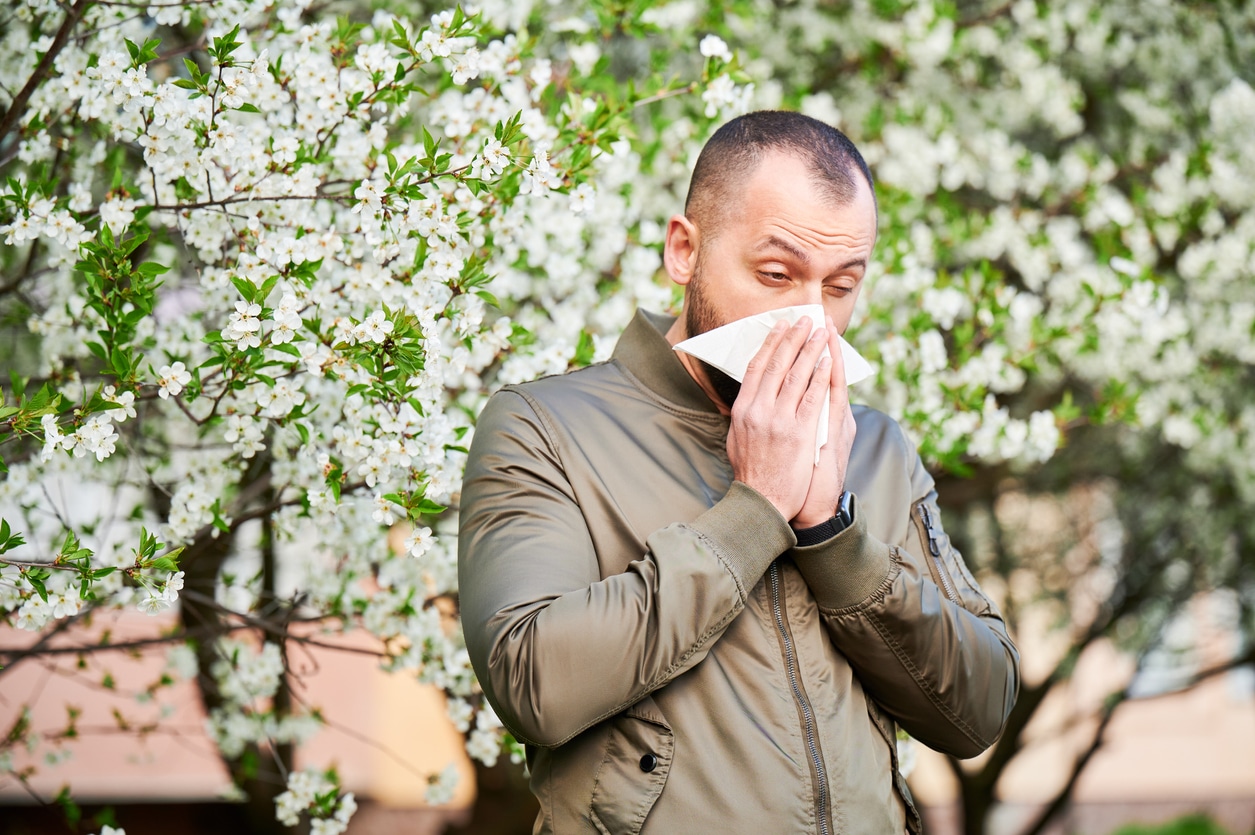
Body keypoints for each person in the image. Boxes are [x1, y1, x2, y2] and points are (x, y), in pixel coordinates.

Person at [458, 111, 1020, 834]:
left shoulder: (874, 444)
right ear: (683, 250)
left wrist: (832, 532)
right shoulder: (545, 428)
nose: (809, 322)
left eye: (840, 285)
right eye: (776, 274)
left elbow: (977, 712)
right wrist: (755, 508)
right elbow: (531, 682)